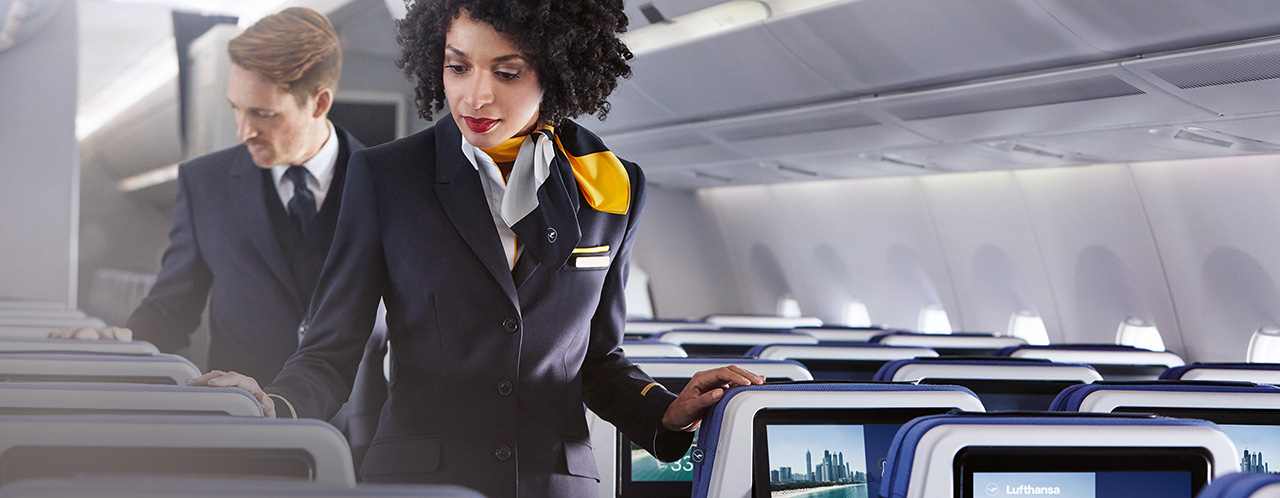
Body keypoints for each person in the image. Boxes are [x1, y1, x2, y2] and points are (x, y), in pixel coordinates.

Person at [188, 1, 765, 497]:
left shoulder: (611, 186)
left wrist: (667, 409)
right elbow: (330, 351)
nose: (475, 96)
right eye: (457, 67)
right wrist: (270, 401)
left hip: (554, 483)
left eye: (507, 72)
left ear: (558, 72)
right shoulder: (388, 177)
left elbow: (597, 363)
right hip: (422, 483)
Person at [51, 7, 386, 467]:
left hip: (361, 439)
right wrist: (118, 340)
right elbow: (172, 306)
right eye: (237, 109)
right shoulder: (205, 184)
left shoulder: (386, 183)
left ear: (320, 102)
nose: (244, 130)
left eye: (263, 114)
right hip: (240, 427)